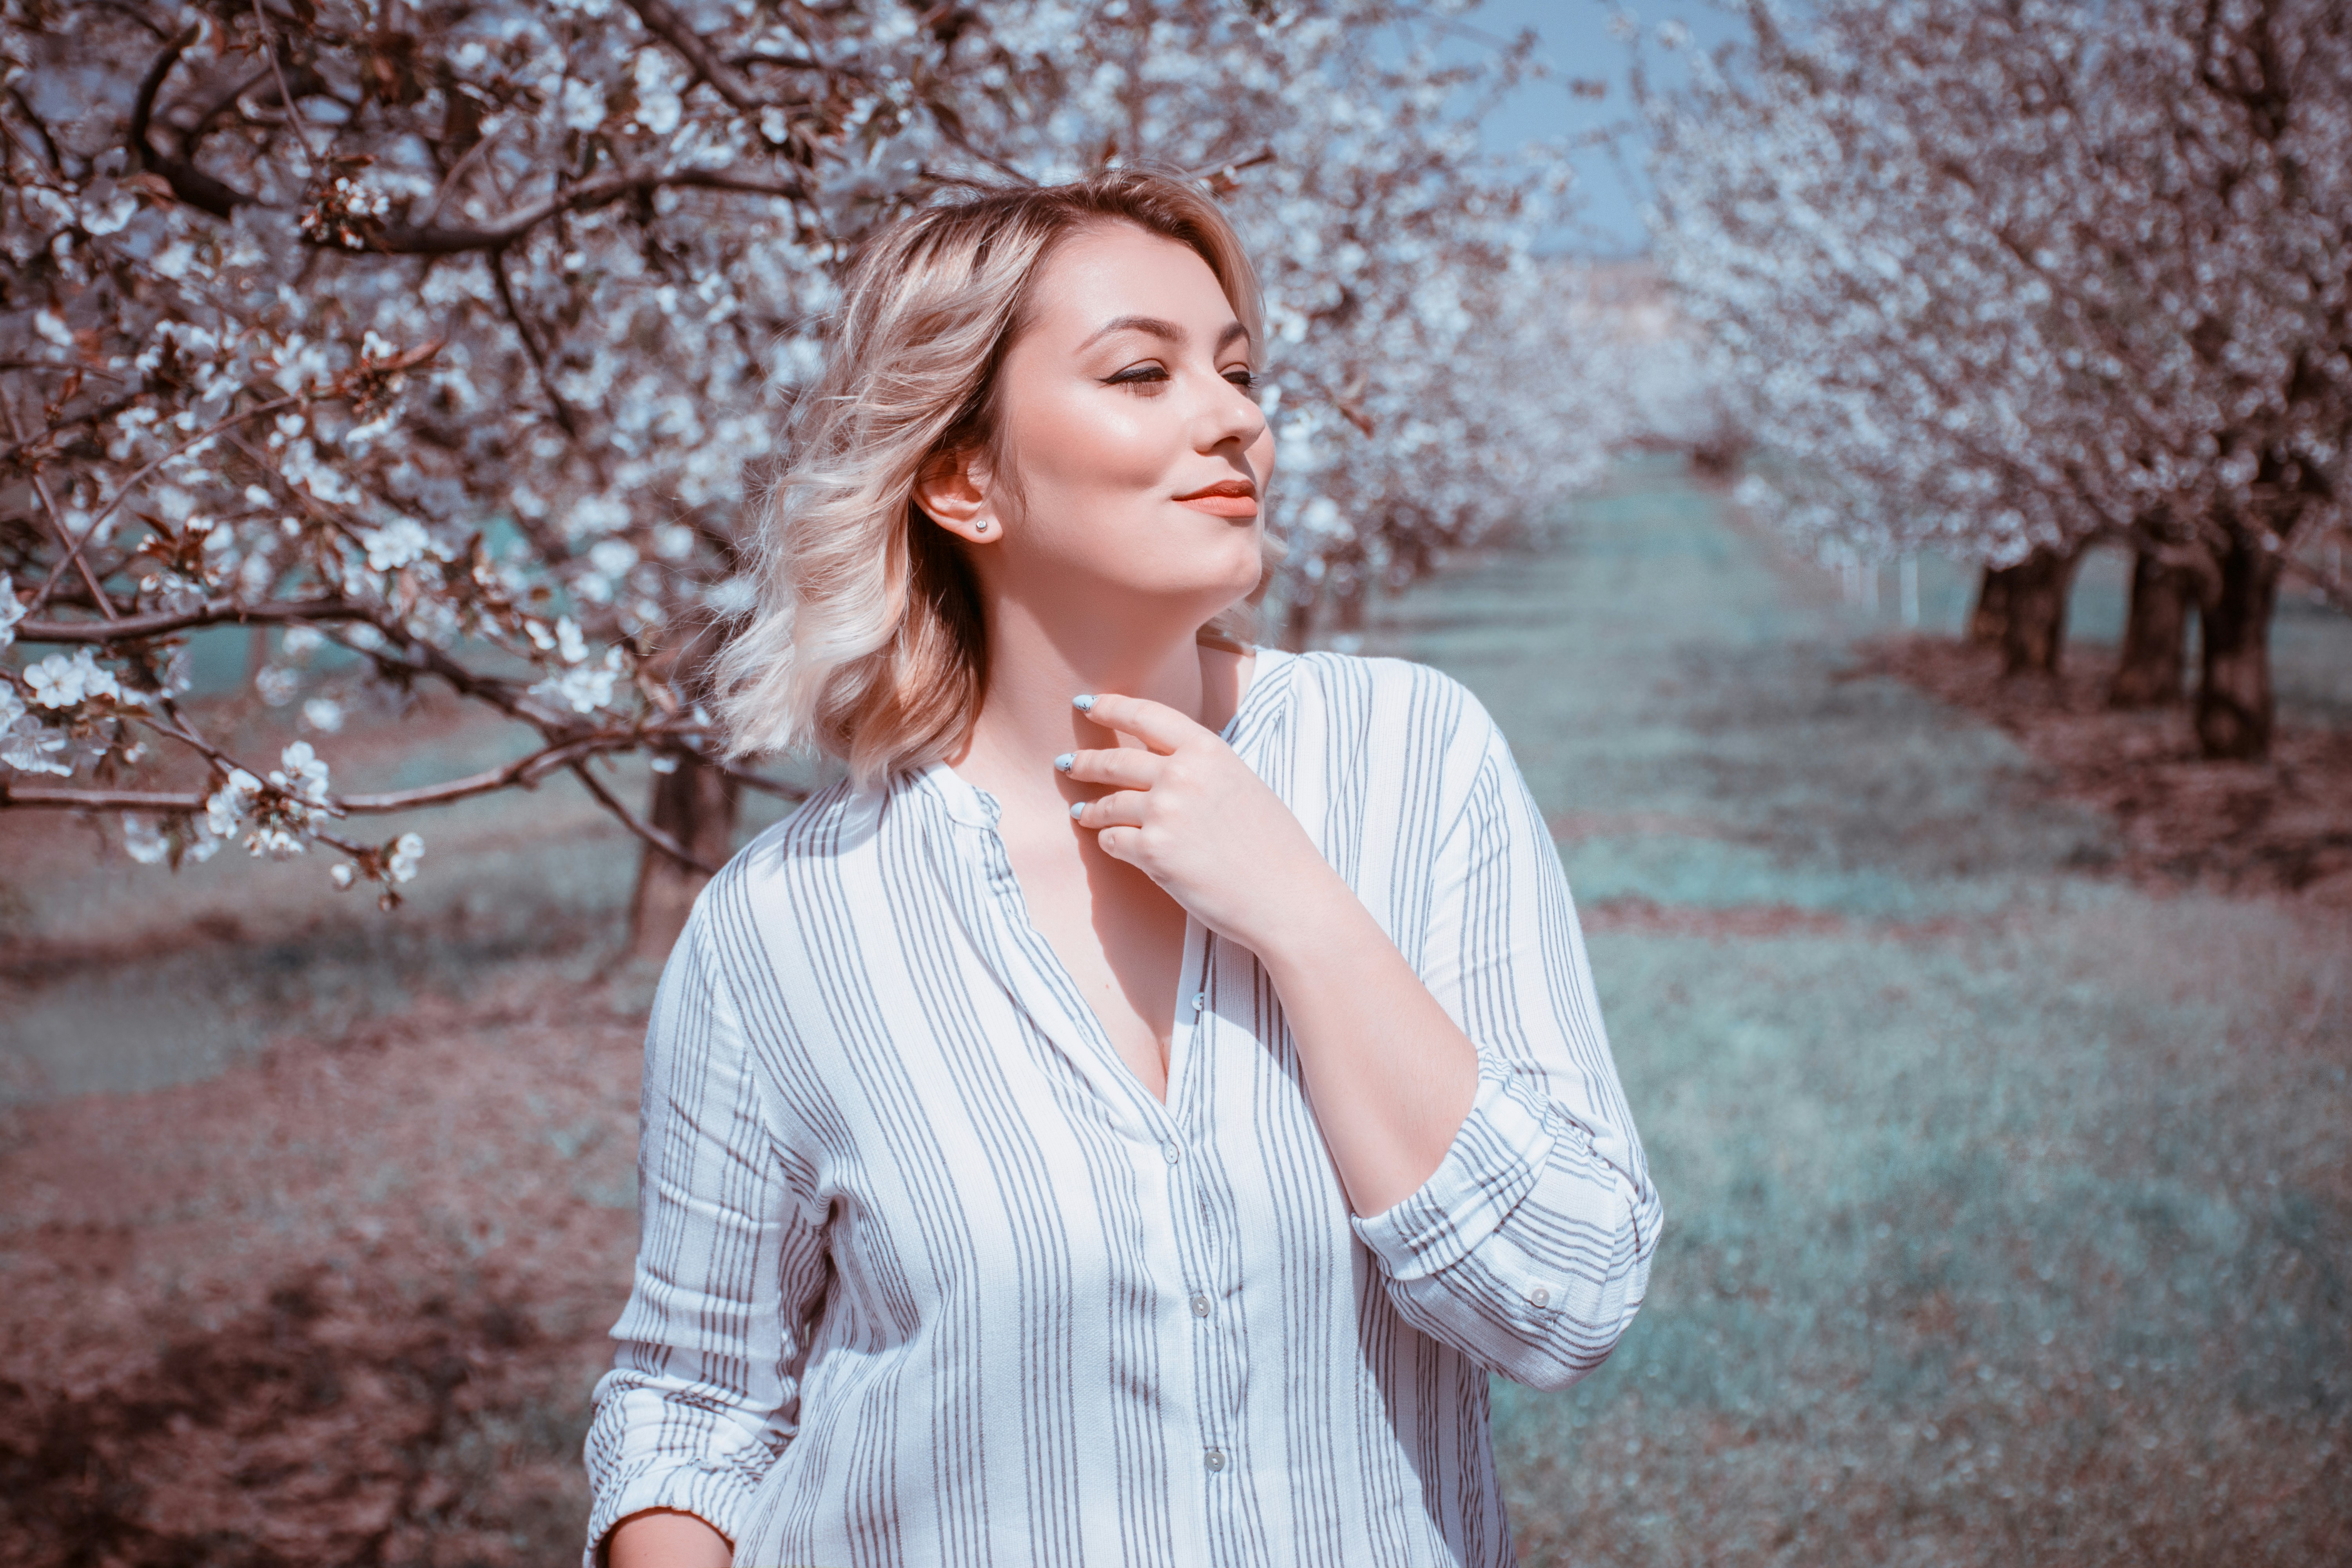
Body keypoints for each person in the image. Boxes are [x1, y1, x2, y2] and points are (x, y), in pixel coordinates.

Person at [584, 167, 1662, 1568]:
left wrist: (1305, 916)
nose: (1237, 417)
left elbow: (1568, 1295)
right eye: (1142, 373)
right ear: (963, 480)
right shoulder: (791, 924)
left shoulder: (1412, 761)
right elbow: (694, 1405)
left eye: (1238, 369)